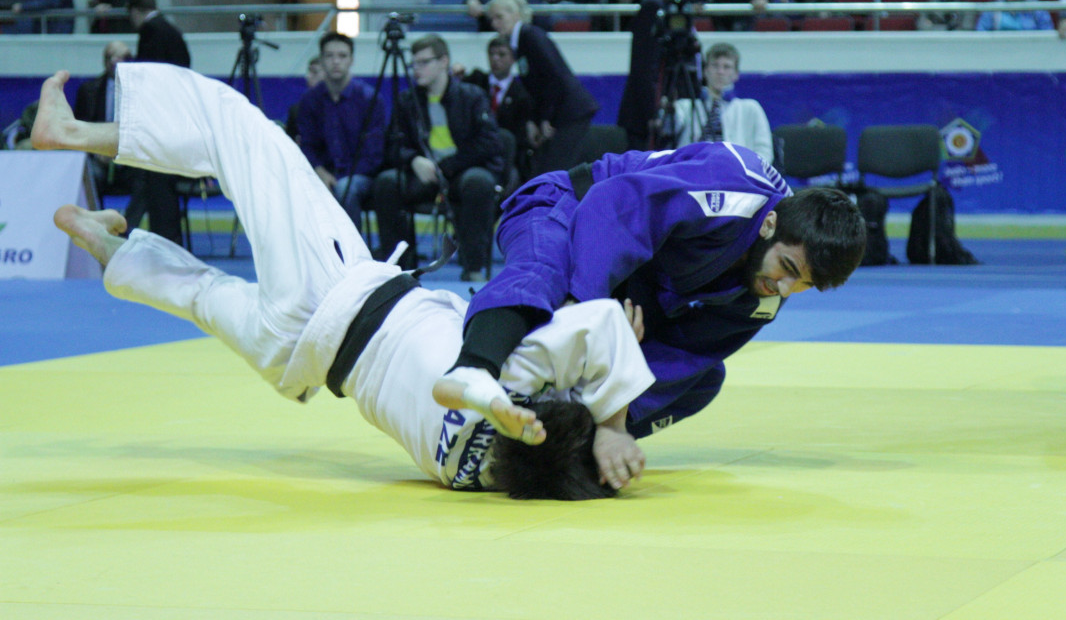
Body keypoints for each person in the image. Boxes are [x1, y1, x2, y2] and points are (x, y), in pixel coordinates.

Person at [30, 65, 653, 498]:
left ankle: (72, 133)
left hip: (332, 290)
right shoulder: (475, 478)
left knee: (239, 131)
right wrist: (585, 434)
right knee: (196, 291)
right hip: (298, 360)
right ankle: (101, 241)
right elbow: (539, 445)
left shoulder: (505, 381)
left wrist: (613, 424)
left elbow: (598, 325)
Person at [432, 142, 867, 440]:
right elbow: (612, 205)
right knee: (547, 270)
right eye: (787, 268)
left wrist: (613, 421)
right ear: (769, 224)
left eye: (804, 284)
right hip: (569, 205)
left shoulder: (769, 296)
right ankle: (474, 367)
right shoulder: (731, 187)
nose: (785, 287)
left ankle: (563, 439)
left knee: (701, 380)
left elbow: (686, 352)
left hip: (635, 277)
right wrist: (590, 316)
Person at [371, 34, 505, 282]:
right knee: (387, 183)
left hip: (461, 171)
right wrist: (413, 160)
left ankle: (473, 267)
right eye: (414, 63)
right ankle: (401, 267)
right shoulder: (407, 100)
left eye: (424, 62)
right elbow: (392, 146)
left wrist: (447, 166)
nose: (416, 69)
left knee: (479, 182)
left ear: (444, 62)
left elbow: (490, 144)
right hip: (424, 173)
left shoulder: (471, 96)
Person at [486, 0, 598, 175]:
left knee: (554, 172)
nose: (494, 24)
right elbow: (537, 86)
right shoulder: (522, 41)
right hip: (565, 112)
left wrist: (546, 118)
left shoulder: (531, 36)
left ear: (516, 14)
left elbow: (554, 78)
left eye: (499, 17)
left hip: (570, 112)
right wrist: (535, 120)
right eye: (492, 19)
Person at [295, 31, 385, 232]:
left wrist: (341, 178)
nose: (336, 62)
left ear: (351, 60)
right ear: (321, 60)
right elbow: (307, 145)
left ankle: (350, 250)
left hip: (361, 175)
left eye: (342, 56)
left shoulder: (369, 99)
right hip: (321, 172)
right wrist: (320, 172)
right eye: (329, 56)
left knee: (345, 188)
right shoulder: (310, 101)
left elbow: (374, 154)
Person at [617, 0, 699, 150]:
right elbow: (643, 66)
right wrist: (652, 112)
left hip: (673, 106)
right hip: (653, 114)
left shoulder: (678, 6)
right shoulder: (654, 6)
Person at [124, 0, 190, 245]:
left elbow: (147, 74)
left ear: (135, 11)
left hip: (158, 116)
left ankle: (162, 237)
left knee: (156, 182)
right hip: (174, 113)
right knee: (160, 181)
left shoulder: (150, 30)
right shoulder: (172, 30)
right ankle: (166, 237)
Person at [671, 42, 774, 164]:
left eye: (727, 67)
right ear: (705, 71)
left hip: (736, 172)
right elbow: (670, 126)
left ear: (736, 74)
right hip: (691, 170)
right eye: (715, 65)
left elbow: (765, 153)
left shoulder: (750, 108)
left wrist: (744, 170)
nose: (720, 71)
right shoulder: (686, 106)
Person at [460, 35, 537, 183]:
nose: (495, 59)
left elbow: (519, 138)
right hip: (474, 151)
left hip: (506, 158)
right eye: (492, 54)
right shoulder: (475, 82)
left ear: (513, 59)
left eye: (501, 54)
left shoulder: (522, 94)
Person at [72, 40, 134, 191]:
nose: (117, 63)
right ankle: (93, 207)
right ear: (105, 62)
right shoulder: (89, 91)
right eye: (113, 58)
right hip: (98, 155)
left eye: (123, 58)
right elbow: (80, 129)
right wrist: (97, 151)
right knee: (89, 173)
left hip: (130, 157)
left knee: (149, 176)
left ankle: (133, 210)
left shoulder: (139, 91)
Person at [286, 56, 325, 143]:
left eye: (314, 72)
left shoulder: (342, 109)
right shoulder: (296, 111)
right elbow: (288, 145)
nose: (308, 76)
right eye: (309, 71)